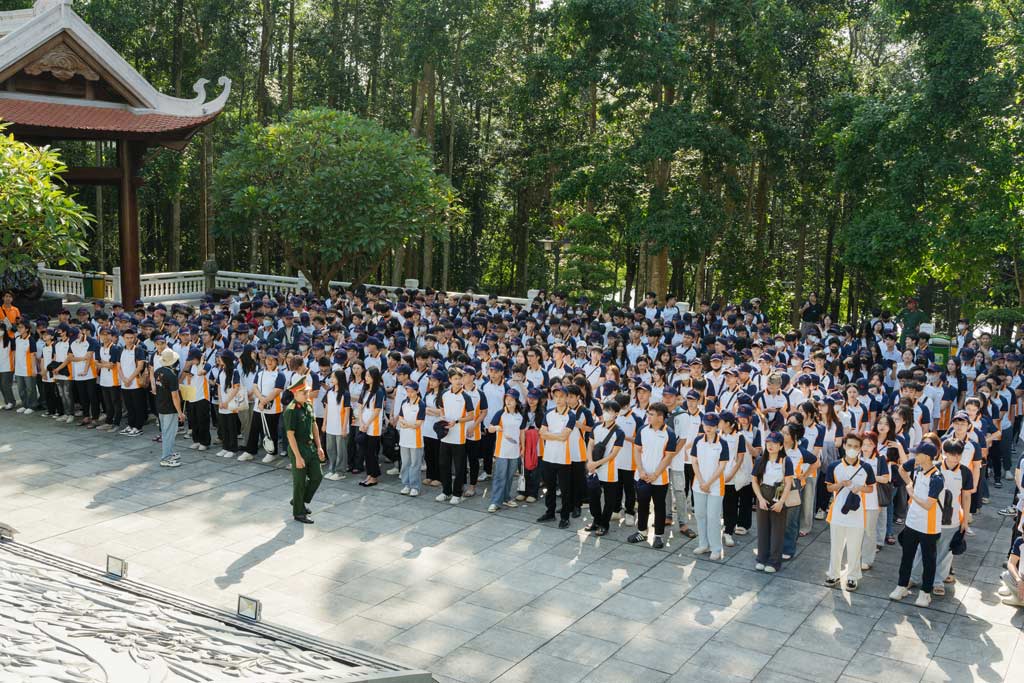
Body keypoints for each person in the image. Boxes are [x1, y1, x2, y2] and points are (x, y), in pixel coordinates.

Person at [890, 441, 944, 607]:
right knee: (907, 556)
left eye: (917, 453)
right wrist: (909, 483)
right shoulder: (918, 466)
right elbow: (901, 469)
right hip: (912, 522)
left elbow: (929, 505)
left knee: (929, 560)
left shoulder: (937, 478)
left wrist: (911, 493)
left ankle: (925, 592)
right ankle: (901, 585)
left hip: (929, 526)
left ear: (927, 457)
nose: (914, 456)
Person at [823, 432, 876, 591]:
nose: (852, 449)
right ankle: (833, 574)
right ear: (844, 446)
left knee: (854, 547)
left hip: (858, 514)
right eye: (850, 446)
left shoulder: (866, 467)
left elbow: (871, 488)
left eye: (856, 446)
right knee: (836, 546)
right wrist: (840, 484)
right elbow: (828, 487)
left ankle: (852, 577)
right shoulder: (834, 466)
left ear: (860, 449)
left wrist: (859, 488)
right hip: (838, 513)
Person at [629, 402, 678, 549]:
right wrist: (641, 470)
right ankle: (642, 532)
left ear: (660, 417)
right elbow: (637, 451)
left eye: (651, 414)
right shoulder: (643, 430)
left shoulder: (669, 434)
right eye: (648, 414)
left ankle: (658, 536)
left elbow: (668, 457)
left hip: (660, 478)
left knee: (659, 506)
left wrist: (656, 474)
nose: (648, 416)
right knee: (642, 505)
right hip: (642, 476)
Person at [283, 374, 326, 523]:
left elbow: (314, 425)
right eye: (304, 392)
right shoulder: (291, 410)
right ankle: (299, 512)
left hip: (311, 447)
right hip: (298, 449)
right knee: (300, 481)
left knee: (317, 476)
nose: (308, 394)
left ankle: (298, 500)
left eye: (307, 391)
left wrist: (319, 446)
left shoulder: (308, 405)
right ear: (295, 393)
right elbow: (290, 436)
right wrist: (298, 457)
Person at [752, 431, 793, 573]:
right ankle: (761, 558)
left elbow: (788, 483)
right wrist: (760, 498)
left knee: (777, 530)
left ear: (781, 446)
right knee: (762, 528)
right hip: (763, 494)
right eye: (768, 442)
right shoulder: (760, 460)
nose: (770, 446)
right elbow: (755, 481)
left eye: (774, 443)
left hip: (778, 495)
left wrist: (781, 502)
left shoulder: (786, 461)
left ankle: (774, 561)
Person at [690, 412, 729, 559]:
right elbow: (694, 461)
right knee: (700, 514)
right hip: (699, 485)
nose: (708, 428)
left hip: (715, 486)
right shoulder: (698, 440)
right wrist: (701, 482)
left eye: (712, 426)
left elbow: (721, 467)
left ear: (717, 426)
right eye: (706, 424)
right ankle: (703, 544)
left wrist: (708, 483)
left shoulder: (722, 443)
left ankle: (716, 548)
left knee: (713, 517)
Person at [537, 384, 576, 528]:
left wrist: (550, 435)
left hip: (564, 458)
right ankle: (550, 512)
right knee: (550, 487)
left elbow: (564, 437)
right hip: (548, 457)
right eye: (556, 396)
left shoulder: (571, 415)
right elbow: (542, 433)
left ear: (566, 398)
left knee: (565, 490)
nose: (558, 399)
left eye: (561, 396)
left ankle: (565, 516)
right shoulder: (548, 413)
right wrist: (555, 435)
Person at [586, 399, 625, 536]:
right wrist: (590, 461)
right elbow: (590, 445)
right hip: (594, 468)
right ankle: (596, 521)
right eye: (605, 410)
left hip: (609, 470)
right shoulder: (596, 426)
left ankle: (604, 524)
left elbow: (613, 454)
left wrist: (595, 464)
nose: (607, 413)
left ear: (616, 414)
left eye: (610, 411)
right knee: (593, 497)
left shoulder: (619, 432)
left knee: (609, 500)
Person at [487, 388, 526, 512]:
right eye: (507, 399)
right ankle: (495, 501)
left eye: (511, 400)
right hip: (501, 450)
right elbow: (490, 429)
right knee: (500, 476)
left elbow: (522, 432)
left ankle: (506, 497)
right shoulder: (500, 413)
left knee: (509, 476)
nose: (508, 402)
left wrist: (523, 447)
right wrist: (496, 427)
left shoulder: (520, 416)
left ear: (516, 401)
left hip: (514, 451)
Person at [153, 348, 185, 467]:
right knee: (169, 433)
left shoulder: (157, 371)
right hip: (170, 408)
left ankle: (169, 452)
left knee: (167, 432)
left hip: (160, 405)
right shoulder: (172, 375)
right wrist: (180, 412)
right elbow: (175, 396)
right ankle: (166, 458)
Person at [396, 381, 426, 496]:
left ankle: (415, 486)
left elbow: (418, 424)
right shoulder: (404, 402)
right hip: (404, 439)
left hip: (416, 439)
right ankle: (406, 484)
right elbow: (401, 417)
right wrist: (407, 424)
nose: (409, 393)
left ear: (417, 391)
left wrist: (407, 425)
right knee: (405, 462)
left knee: (415, 464)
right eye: (408, 391)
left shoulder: (421, 404)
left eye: (412, 391)